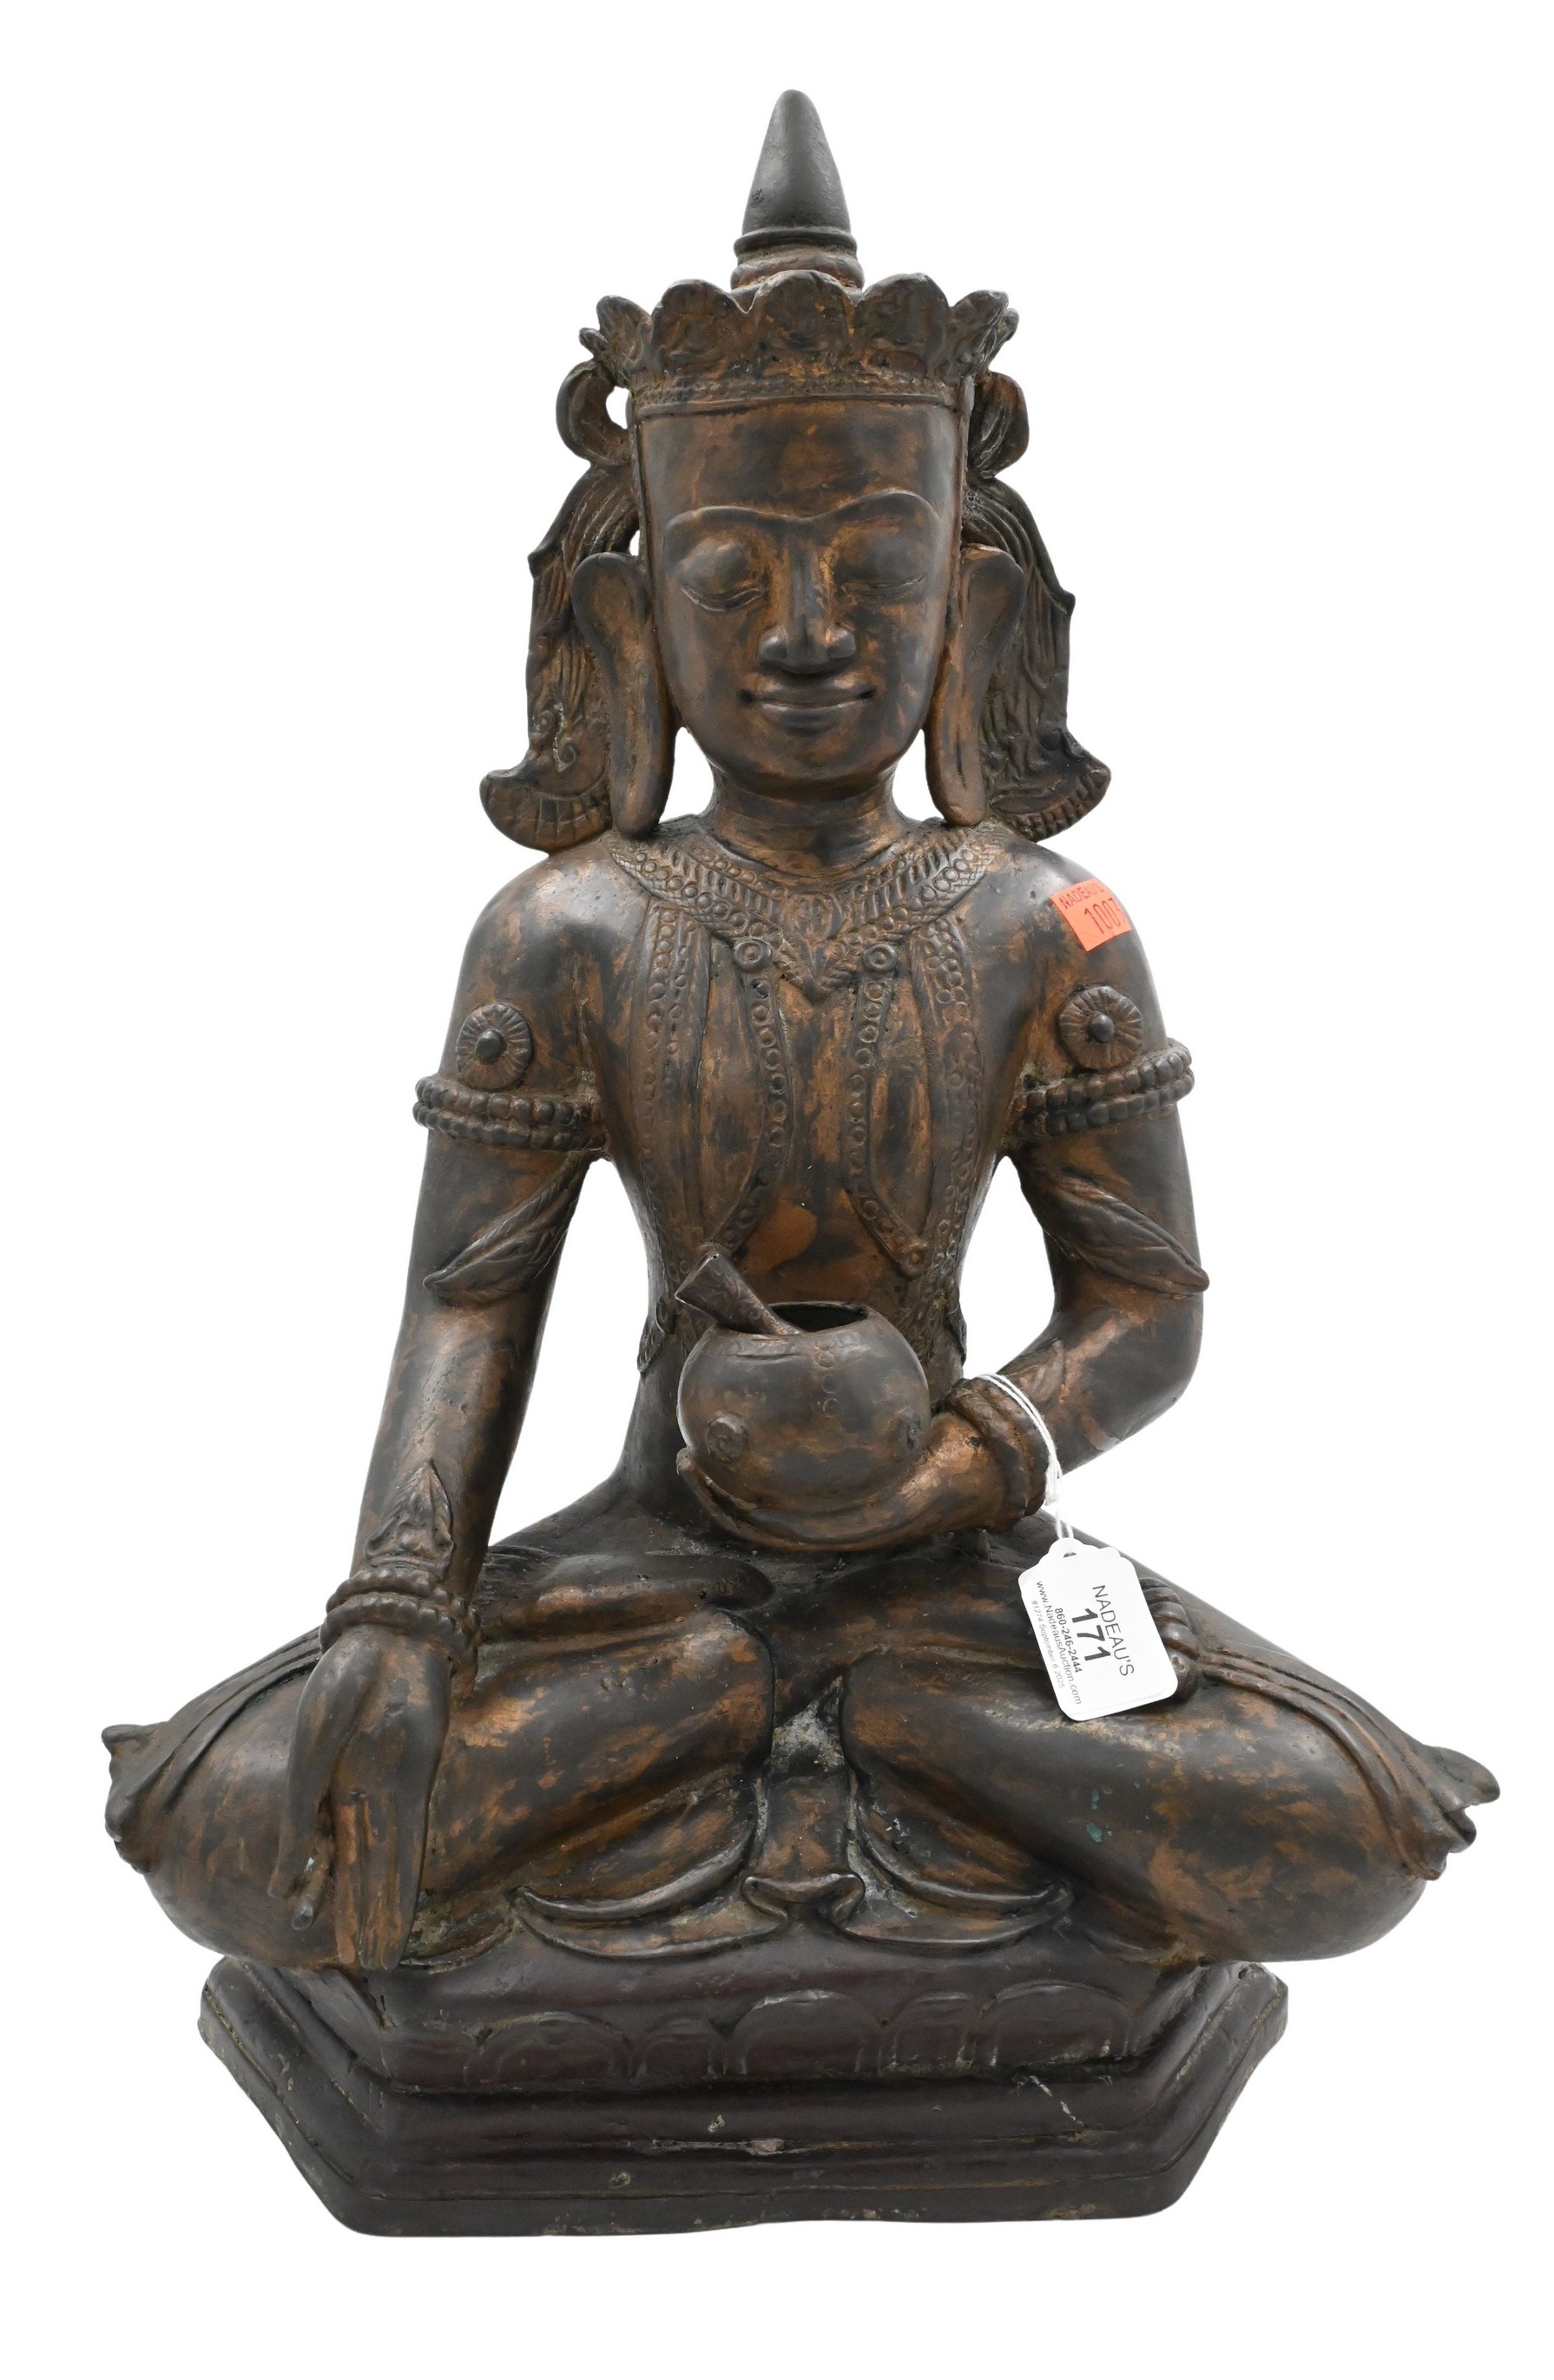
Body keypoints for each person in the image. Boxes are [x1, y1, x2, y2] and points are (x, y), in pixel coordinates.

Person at [108, 93, 1492, 1993]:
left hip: (948, 1561)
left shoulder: (1044, 922)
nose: (810, 633)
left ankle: (855, 1724)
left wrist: (958, 1470)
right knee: (240, 1822)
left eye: (876, 573)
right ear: (629, 614)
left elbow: (1145, 1305)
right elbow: (466, 1301)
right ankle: (762, 1707)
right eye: (731, 580)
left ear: (966, 601)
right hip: (650, 1563)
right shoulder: (566, 929)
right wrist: (401, 1618)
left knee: (1339, 1835)